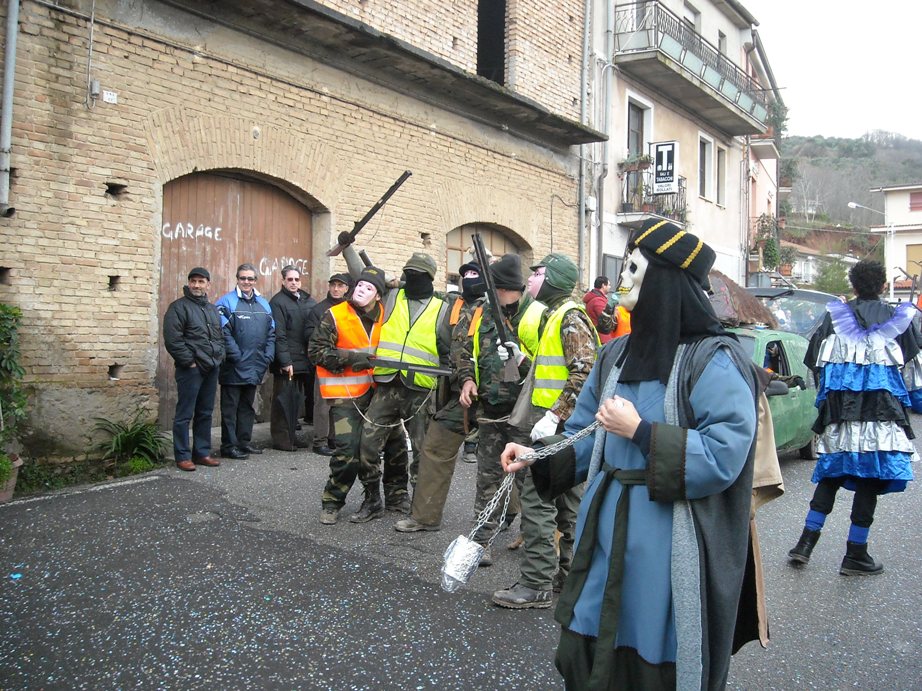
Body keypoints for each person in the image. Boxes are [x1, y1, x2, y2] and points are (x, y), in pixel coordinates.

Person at [501, 220, 760, 689]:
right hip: (604, 525)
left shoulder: (714, 359)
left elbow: (725, 454)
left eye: (633, 269)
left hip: (667, 536)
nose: (621, 279)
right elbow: (583, 434)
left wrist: (641, 432)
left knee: (649, 643)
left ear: (663, 279)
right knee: (588, 636)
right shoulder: (615, 354)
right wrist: (536, 454)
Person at [789, 260, 920, 575]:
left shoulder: (835, 316)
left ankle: (804, 545)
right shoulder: (897, 317)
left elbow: (814, 360)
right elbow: (909, 361)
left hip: (841, 410)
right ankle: (855, 553)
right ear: (883, 285)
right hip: (881, 412)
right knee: (869, 478)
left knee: (831, 473)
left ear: (854, 285)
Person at [492, 252, 596, 609]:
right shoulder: (556, 316)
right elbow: (557, 370)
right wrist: (522, 360)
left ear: (552, 280)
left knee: (537, 500)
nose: (531, 280)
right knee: (568, 504)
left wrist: (554, 415)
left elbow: (584, 372)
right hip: (566, 428)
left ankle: (536, 584)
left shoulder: (569, 318)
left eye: (538, 274)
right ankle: (570, 578)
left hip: (559, 429)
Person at [349, 251, 452, 522]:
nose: (413, 278)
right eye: (410, 273)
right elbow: (364, 279)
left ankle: (419, 509)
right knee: (367, 444)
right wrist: (348, 249)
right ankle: (372, 500)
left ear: (430, 278)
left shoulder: (442, 308)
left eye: (419, 275)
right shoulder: (392, 297)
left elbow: (447, 352)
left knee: (422, 452)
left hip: (421, 390)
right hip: (386, 385)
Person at [457, 254, 545, 563]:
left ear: (505, 288)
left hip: (526, 414)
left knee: (529, 483)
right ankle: (481, 542)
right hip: (490, 410)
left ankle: (536, 547)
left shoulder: (538, 316)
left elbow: (551, 368)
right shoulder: (482, 313)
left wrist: (522, 360)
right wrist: (467, 379)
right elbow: (464, 350)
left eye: (491, 287)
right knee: (488, 479)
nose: (486, 292)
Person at [310, 266, 409, 525]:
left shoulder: (386, 315)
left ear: (378, 295)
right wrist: (352, 358)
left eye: (369, 287)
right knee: (347, 451)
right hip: (345, 395)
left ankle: (396, 496)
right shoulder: (335, 315)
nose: (361, 290)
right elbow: (316, 352)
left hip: (380, 393)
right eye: (359, 285)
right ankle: (332, 502)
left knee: (396, 444)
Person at [394, 261, 485, 532]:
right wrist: (392, 282)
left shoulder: (497, 309)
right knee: (434, 447)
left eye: (475, 274)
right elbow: (417, 289)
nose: (469, 279)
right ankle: (425, 517)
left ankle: (508, 519)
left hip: (495, 396)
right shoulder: (450, 302)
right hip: (458, 392)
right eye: (466, 274)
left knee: (503, 459)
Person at [162, 267, 225, 471]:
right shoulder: (178, 308)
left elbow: (219, 336)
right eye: (193, 281)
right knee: (185, 413)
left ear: (208, 284)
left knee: (205, 412)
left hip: (211, 367)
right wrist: (189, 362)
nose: (197, 285)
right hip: (191, 369)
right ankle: (182, 456)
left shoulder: (212, 309)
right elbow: (173, 339)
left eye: (201, 281)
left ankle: (202, 453)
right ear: (189, 283)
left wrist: (219, 356)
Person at [216, 263, 275, 459]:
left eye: (250, 278)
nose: (246, 282)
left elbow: (271, 332)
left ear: (255, 281)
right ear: (237, 279)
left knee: (248, 407)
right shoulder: (226, 302)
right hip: (233, 366)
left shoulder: (263, 304)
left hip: (255, 366)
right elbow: (223, 332)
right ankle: (228, 446)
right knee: (230, 409)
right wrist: (236, 356)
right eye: (243, 278)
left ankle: (244, 442)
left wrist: (268, 355)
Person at [268, 266, 317, 451]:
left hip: (303, 360)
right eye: (290, 279)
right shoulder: (278, 302)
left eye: (297, 279)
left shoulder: (306, 300)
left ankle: (292, 437)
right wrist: (285, 361)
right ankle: (282, 440)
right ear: (283, 281)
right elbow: (279, 334)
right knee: (282, 402)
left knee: (295, 402)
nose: (294, 283)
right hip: (287, 362)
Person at [306, 272, 352, 456]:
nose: (336, 289)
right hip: (324, 363)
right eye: (333, 285)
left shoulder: (350, 309)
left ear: (346, 289)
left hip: (342, 363)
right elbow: (309, 335)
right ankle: (320, 441)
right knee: (323, 406)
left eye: (340, 286)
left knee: (339, 404)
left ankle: (334, 438)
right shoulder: (319, 309)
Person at [583, 276, 611, 344]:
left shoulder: (595, 298)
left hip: (600, 337)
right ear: (603, 285)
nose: (610, 287)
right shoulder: (598, 301)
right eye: (609, 285)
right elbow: (605, 320)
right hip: (603, 339)